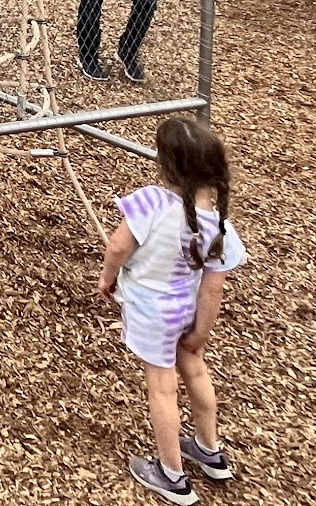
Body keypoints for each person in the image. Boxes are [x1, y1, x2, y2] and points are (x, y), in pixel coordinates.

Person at [96, 114, 247, 503]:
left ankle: (171, 474)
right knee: (195, 370)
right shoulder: (219, 227)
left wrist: (107, 279)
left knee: (162, 390)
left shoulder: (149, 202)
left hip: (152, 314)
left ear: (166, 165)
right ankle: (209, 450)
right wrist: (200, 333)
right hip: (187, 313)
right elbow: (213, 288)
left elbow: (117, 247)